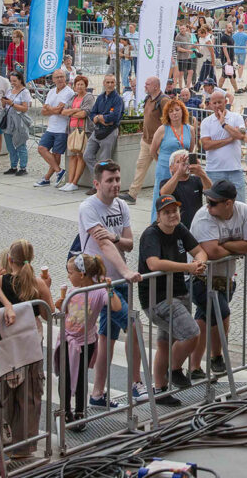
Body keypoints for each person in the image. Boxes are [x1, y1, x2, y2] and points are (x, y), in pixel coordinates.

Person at [76, 162, 145, 408]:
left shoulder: (122, 205)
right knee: (134, 325)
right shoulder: (88, 207)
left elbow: (127, 243)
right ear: (97, 183)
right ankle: (136, 384)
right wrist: (125, 270)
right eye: (110, 180)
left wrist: (115, 236)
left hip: (118, 280)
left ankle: (96, 394)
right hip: (103, 284)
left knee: (107, 338)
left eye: (117, 179)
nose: (116, 184)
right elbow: (102, 244)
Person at [138, 195, 207, 405]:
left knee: (165, 343)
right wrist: (188, 267)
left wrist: (199, 264)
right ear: (158, 215)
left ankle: (159, 389)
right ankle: (174, 368)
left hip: (179, 291)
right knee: (192, 333)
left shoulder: (180, 229)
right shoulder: (151, 234)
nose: (172, 215)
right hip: (158, 297)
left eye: (174, 210)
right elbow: (154, 263)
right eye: (166, 212)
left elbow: (199, 251)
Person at [187, 180, 247, 378]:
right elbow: (212, 251)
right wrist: (236, 245)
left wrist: (224, 245)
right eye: (207, 201)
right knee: (221, 313)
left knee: (204, 318)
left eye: (213, 203)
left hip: (224, 277)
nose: (208, 206)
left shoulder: (243, 212)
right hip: (198, 277)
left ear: (228, 204)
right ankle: (217, 356)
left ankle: (193, 368)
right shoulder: (203, 217)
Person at [0, 241, 49, 456]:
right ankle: (25, 445)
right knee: (31, 393)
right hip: (32, 343)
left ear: (9, 259)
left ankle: (3, 438)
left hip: (6, 344)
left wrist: (6, 304)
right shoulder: (37, 284)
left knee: (5, 390)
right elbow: (48, 313)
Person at [55, 254, 116, 424]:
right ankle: (65, 411)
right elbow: (65, 312)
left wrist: (110, 288)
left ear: (81, 274)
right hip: (66, 339)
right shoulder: (73, 290)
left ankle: (80, 413)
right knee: (64, 377)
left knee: (81, 378)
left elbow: (116, 306)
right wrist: (61, 302)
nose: (68, 276)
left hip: (85, 342)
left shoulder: (98, 291)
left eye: (70, 272)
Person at [122, 76, 166, 205]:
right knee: (140, 167)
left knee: (162, 169)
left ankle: (164, 194)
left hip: (159, 143)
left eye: (147, 84)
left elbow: (169, 121)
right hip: (146, 141)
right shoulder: (148, 99)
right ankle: (132, 194)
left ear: (156, 86)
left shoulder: (163, 101)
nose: (145, 86)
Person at [199, 90, 247, 205]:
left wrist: (224, 124)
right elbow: (206, 145)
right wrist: (230, 139)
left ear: (225, 102)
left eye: (219, 102)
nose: (217, 106)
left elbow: (240, 135)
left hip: (235, 170)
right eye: (214, 103)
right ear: (210, 104)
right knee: (214, 205)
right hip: (214, 170)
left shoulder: (236, 117)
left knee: (239, 205)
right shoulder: (206, 122)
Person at [150, 98, 197, 218]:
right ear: (167, 114)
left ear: (183, 111)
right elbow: (153, 150)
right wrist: (162, 162)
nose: (174, 113)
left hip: (181, 168)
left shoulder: (189, 129)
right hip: (165, 168)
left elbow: (190, 149)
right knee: (161, 196)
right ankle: (157, 222)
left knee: (181, 195)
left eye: (177, 110)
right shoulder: (162, 129)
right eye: (171, 111)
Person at [83, 74, 124, 194]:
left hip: (110, 131)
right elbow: (92, 113)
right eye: (108, 82)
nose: (110, 85)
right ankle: (99, 180)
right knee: (87, 155)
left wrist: (100, 117)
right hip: (97, 130)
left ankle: (101, 187)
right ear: (104, 83)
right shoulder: (100, 97)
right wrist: (99, 118)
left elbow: (114, 116)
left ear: (115, 84)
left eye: (112, 82)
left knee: (105, 160)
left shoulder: (118, 99)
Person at [35, 69, 74, 187]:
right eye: (57, 77)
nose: (60, 79)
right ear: (53, 79)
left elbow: (58, 110)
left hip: (62, 128)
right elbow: (43, 111)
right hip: (51, 127)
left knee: (57, 155)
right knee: (41, 148)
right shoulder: (51, 91)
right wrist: (53, 110)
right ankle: (59, 171)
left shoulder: (69, 92)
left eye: (62, 76)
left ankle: (47, 178)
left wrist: (49, 108)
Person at [158, 149, 212, 229]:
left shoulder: (196, 180)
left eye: (186, 161)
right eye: (178, 162)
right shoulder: (165, 182)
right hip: (176, 226)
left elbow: (211, 191)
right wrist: (179, 173)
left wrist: (202, 173)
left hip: (196, 224)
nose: (183, 164)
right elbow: (164, 193)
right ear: (171, 167)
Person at [61, 74, 95, 192]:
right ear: (74, 86)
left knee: (80, 156)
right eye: (78, 84)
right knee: (72, 156)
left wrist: (71, 112)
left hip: (83, 130)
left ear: (86, 86)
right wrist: (76, 110)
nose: (79, 86)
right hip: (72, 129)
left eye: (82, 84)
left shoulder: (89, 97)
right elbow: (64, 111)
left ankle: (75, 182)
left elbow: (84, 114)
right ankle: (69, 181)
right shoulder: (73, 97)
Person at [1, 71, 32, 176]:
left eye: (14, 81)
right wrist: (4, 102)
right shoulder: (9, 90)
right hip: (8, 120)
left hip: (19, 121)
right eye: (11, 80)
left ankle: (23, 167)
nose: (12, 83)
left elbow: (25, 108)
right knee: (9, 145)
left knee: (20, 144)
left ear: (20, 80)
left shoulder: (24, 92)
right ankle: (13, 166)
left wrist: (12, 104)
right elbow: (4, 106)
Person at [0, 12, 15, 76]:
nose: (7, 19)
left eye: (8, 18)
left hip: (11, 49)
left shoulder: (12, 26)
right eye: (6, 18)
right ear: (2, 19)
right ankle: (3, 78)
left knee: (12, 64)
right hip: (1, 49)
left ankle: (11, 77)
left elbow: (16, 35)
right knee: (3, 64)